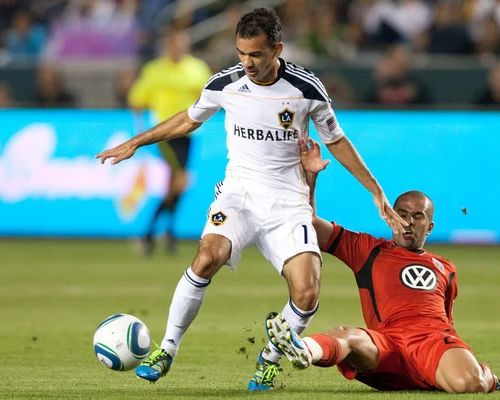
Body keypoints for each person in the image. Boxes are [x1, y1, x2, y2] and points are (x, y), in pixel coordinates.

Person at [96, 7, 407, 391]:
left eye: (256, 55)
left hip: (288, 203)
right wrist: (134, 142)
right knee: (207, 256)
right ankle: (168, 350)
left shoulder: (306, 88)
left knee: (307, 293)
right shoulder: (225, 84)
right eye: (241, 53)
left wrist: (376, 190)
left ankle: (270, 360)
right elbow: (188, 119)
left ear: (276, 49)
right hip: (239, 194)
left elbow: (336, 140)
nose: (247, 63)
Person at [264, 138, 500, 394]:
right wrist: (311, 176)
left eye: (417, 216)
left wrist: (451, 357)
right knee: (347, 335)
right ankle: (303, 349)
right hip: (386, 347)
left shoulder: (445, 267)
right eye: (401, 213)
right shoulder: (368, 250)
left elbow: (447, 321)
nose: (408, 222)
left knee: (469, 385)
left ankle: (485, 374)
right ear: (390, 216)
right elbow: (309, 222)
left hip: (432, 343)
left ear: (429, 227)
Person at [127, 28, 212, 255]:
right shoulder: (154, 71)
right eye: (174, 45)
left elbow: (209, 97)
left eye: (181, 45)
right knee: (181, 181)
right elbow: (137, 100)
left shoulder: (197, 69)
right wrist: (142, 134)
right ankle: (157, 234)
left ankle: (156, 235)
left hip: (189, 134)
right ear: (167, 47)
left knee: (176, 186)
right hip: (165, 134)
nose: (177, 49)